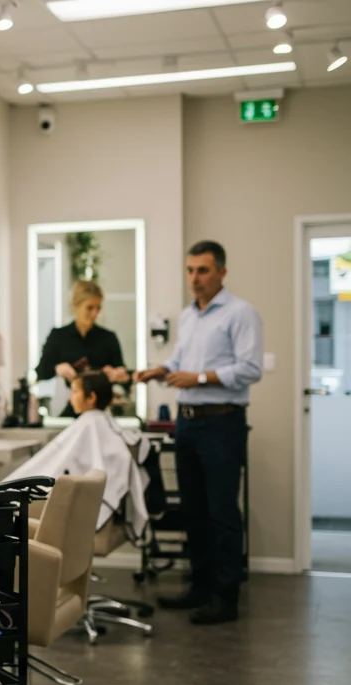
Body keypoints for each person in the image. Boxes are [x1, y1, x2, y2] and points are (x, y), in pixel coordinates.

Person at [135, 240, 263, 625]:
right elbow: (180, 361)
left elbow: (250, 368)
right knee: (194, 509)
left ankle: (226, 598)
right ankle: (200, 588)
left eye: (203, 270)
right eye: (190, 270)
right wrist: (160, 369)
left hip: (222, 422)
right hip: (187, 421)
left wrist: (200, 377)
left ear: (221, 272)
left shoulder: (241, 314)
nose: (195, 278)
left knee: (223, 511)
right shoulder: (188, 316)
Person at [6, 371, 150, 536]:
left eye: (74, 392)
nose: (70, 398)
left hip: (57, 500)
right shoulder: (98, 423)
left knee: (5, 494)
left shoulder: (90, 425)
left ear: (91, 397)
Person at [35, 280, 129, 417]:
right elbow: (41, 372)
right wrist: (57, 368)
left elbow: (123, 373)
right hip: (70, 408)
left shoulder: (108, 338)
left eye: (98, 308)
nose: (95, 313)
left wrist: (119, 374)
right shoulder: (59, 337)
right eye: (90, 308)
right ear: (75, 306)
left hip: (101, 409)